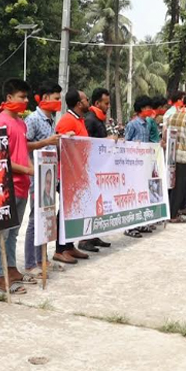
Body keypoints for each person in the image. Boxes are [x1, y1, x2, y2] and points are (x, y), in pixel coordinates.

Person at [0, 78, 36, 294]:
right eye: (21, 97)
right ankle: (1, 278)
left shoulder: (21, 122)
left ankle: (11, 269)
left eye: (27, 97)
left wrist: (30, 169)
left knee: (13, 232)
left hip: (21, 186)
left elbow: (23, 152)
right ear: (9, 98)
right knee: (0, 234)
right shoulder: (0, 122)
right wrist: (27, 170)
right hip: (3, 185)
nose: (25, 101)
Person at [24, 83, 63, 275]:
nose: (59, 102)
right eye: (56, 98)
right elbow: (25, 146)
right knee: (34, 220)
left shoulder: (50, 120)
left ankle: (43, 259)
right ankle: (31, 263)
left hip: (49, 175)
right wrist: (46, 142)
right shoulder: (33, 119)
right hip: (35, 177)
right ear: (45, 98)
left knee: (46, 218)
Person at [53, 88, 91, 264]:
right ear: (78, 103)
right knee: (65, 212)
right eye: (85, 99)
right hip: (67, 175)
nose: (88, 101)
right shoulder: (67, 121)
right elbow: (60, 148)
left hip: (78, 175)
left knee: (73, 211)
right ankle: (60, 249)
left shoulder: (79, 120)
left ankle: (69, 245)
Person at [78, 88, 113, 252]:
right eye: (105, 103)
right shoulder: (90, 120)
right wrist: (106, 140)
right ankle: (84, 239)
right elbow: (87, 143)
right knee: (89, 204)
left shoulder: (99, 119)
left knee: (98, 204)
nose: (108, 106)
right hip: (90, 169)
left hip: (99, 169)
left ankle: (94, 235)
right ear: (97, 103)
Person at [164, 94, 186, 223]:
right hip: (183, 155)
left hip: (171, 155)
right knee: (180, 187)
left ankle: (168, 212)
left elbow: (165, 134)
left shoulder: (172, 115)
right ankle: (174, 215)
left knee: (170, 186)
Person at [123, 95, 154, 238]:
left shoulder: (147, 124)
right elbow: (126, 142)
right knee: (132, 195)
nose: (150, 110)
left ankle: (140, 222)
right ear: (141, 109)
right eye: (148, 108)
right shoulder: (132, 124)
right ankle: (130, 226)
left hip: (144, 165)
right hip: (133, 165)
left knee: (142, 194)